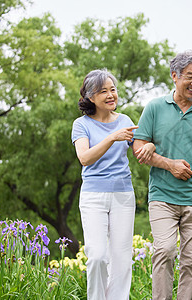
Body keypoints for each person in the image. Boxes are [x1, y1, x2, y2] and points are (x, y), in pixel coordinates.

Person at [133, 50, 192, 300]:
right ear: (174, 76)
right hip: (162, 195)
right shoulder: (154, 108)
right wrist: (169, 164)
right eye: (190, 76)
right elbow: (138, 148)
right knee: (164, 250)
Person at [71, 69, 155, 300]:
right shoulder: (81, 125)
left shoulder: (125, 121)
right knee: (97, 256)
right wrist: (111, 137)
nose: (111, 95)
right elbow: (85, 158)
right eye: (103, 91)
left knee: (121, 259)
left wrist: (150, 146)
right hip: (93, 197)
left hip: (122, 195)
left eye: (113, 90)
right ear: (91, 97)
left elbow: (140, 149)